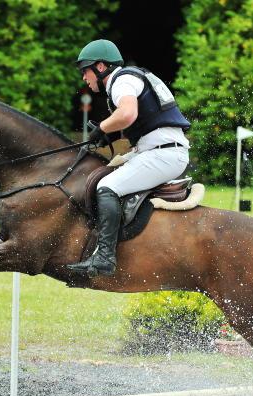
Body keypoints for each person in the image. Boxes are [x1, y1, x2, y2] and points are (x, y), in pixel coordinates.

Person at [67, 39, 191, 277]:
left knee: (107, 187)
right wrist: (109, 135)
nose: (84, 77)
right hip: (159, 150)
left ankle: (104, 257)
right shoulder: (130, 78)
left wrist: (102, 128)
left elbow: (128, 113)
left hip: (163, 154)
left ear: (100, 67)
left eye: (85, 70)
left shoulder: (121, 81)